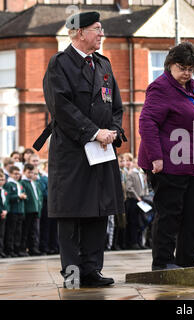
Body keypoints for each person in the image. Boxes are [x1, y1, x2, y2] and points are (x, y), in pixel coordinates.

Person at [35, 11, 126, 287]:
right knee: (72, 214)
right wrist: (93, 132)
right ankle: (73, 274)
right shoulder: (59, 64)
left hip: (102, 151)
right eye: (96, 29)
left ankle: (91, 270)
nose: (101, 34)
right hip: (73, 153)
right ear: (78, 32)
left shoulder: (104, 65)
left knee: (99, 211)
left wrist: (114, 131)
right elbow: (60, 107)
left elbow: (117, 107)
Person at [138, 41, 194, 271]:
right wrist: (156, 157)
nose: (186, 73)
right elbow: (147, 123)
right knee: (170, 213)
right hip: (167, 162)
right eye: (181, 68)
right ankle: (163, 262)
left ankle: (188, 258)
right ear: (170, 65)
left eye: (190, 69)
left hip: (190, 163)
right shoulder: (160, 88)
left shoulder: (193, 88)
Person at [3, 166, 27, 257]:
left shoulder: (19, 184)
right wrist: (18, 197)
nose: (17, 175)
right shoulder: (9, 184)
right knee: (11, 231)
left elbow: (23, 193)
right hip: (13, 211)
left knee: (18, 231)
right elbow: (8, 197)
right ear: (10, 174)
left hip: (20, 211)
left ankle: (17, 249)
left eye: (18, 174)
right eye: (15, 174)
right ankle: (10, 249)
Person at [125, 160, 149, 250]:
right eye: (137, 163)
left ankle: (140, 242)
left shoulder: (142, 174)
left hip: (142, 200)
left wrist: (145, 196)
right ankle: (133, 242)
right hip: (133, 200)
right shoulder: (131, 174)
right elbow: (129, 187)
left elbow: (145, 187)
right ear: (134, 164)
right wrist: (137, 196)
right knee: (133, 222)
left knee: (141, 222)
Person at [20, 163, 42, 256]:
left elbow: (37, 197)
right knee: (26, 231)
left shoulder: (34, 182)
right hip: (28, 210)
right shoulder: (23, 183)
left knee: (33, 231)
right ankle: (23, 249)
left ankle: (33, 248)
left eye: (32, 173)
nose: (31, 174)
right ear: (24, 172)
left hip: (35, 210)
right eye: (29, 172)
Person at [0, 172, 8, 258]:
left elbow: (6, 203)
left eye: (3, 180)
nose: (2, 181)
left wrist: (6, 210)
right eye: (0, 179)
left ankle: (1, 251)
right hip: (1, 213)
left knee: (2, 234)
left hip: (4, 214)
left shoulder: (4, 190)